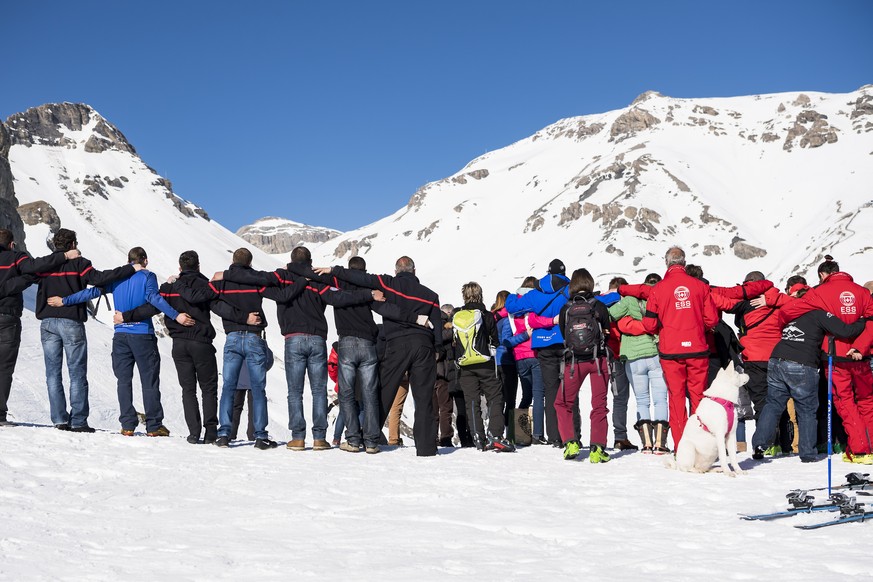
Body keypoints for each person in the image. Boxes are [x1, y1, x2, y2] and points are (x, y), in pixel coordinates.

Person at [217, 247, 393, 452]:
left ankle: (298, 438)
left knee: (295, 391)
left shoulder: (281, 277)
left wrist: (227, 275)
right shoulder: (317, 280)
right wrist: (369, 294)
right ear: (310, 261)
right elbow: (339, 298)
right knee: (318, 390)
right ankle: (319, 438)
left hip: (293, 339)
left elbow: (257, 280)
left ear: (291, 260)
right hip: (317, 339)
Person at [52, 246, 194, 437]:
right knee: (149, 381)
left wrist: (65, 301)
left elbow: (91, 293)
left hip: (120, 336)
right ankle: (154, 426)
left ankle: (127, 425)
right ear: (144, 260)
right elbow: (153, 298)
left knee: (123, 381)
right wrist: (176, 316)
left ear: (128, 261)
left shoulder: (117, 278)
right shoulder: (147, 276)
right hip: (142, 334)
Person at [117, 250, 255, 444]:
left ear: (180, 268)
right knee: (208, 388)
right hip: (202, 344)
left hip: (179, 345)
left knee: (188, 389)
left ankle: (193, 432)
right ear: (198, 266)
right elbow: (221, 308)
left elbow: (151, 307)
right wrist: (245, 318)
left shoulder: (168, 287)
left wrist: (126, 316)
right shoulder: (206, 285)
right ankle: (210, 431)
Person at [314, 256, 443, 457]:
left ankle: (369, 437)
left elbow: (361, 279)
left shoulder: (388, 283)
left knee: (383, 390)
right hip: (423, 344)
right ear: (414, 271)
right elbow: (437, 327)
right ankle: (426, 448)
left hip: (397, 343)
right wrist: (437, 349)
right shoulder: (431, 295)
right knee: (424, 397)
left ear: (396, 270)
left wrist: (334, 270)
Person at [35, 228, 140, 431]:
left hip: (47, 322)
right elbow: (100, 278)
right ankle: (78, 421)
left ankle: (59, 419)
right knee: (76, 373)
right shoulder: (80, 264)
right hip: (71, 322)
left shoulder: (44, 265)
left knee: (52, 373)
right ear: (73, 244)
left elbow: (29, 272)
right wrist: (130, 268)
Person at [752, 285, 867, 462]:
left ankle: (760, 444)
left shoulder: (792, 313)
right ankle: (807, 453)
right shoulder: (819, 314)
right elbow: (845, 331)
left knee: (773, 404)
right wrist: (862, 319)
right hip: (802, 363)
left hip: (776, 359)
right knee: (806, 409)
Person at [210, 248, 309, 450]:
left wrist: (237, 316)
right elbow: (284, 295)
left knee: (228, 386)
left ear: (232, 261)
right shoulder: (256, 280)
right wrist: (303, 281)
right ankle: (260, 436)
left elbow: (212, 303)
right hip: (254, 339)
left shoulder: (221, 282)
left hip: (232, 338)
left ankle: (223, 434)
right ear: (250, 263)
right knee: (258, 389)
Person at [778, 255, 873, 463]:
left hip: (835, 355)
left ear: (822, 274)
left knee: (844, 401)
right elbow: (871, 322)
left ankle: (860, 449)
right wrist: (860, 346)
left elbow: (786, 312)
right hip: (862, 357)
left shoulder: (819, 293)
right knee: (867, 401)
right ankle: (870, 445)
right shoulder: (863, 293)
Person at [528, 269, 612, 462]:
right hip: (598, 360)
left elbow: (565, 334)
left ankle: (570, 442)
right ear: (590, 283)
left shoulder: (566, 308)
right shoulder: (598, 305)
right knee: (599, 405)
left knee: (562, 402)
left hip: (574, 363)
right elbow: (606, 331)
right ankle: (597, 449)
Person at [639, 246, 718, 448]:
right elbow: (712, 319)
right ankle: (701, 445)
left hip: (670, 352)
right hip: (697, 349)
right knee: (698, 398)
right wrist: (698, 328)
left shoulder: (657, 290)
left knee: (675, 398)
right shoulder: (700, 287)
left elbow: (649, 324)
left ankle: (681, 447)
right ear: (684, 262)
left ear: (667, 263)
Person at [0, 228, 78, 427]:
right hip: (7, 317)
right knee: (4, 367)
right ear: (11, 244)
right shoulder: (17, 257)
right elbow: (35, 267)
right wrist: (63, 256)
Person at [505, 259, 571, 447]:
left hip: (531, 352)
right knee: (549, 392)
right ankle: (541, 434)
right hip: (556, 346)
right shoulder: (566, 290)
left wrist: (511, 295)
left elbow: (510, 308)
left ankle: (523, 435)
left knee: (531, 395)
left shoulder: (533, 296)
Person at [608, 272, 669, 454]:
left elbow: (609, 314)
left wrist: (626, 322)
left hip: (633, 357)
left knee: (642, 401)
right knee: (660, 400)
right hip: (655, 354)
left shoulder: (629, 300)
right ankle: (660, 443)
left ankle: (647, 444)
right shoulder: (662, 299)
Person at [452, 282, 514, 451]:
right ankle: (495, 435)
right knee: (494, 397)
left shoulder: (457, 315)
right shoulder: (486, 315)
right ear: (480, 294)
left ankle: (478, 437)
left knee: (471, 401)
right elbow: (495, 340)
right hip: (485, 363)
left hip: (465, 365)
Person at [503, 277, 545, 444]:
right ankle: (537, 435)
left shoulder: (511, 312)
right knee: (538, 395)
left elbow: (506, 340)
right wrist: (528, 335)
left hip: (519, 358)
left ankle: (520, 434)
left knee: (526, 395)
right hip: (535, 355)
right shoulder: (536, 305)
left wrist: (520, 337)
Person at [598, 276, 637, 451]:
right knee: (620, 398)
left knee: (600, 399)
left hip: (601, 355)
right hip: (619, 354)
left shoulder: (597, 301)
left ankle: (598, 437)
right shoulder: (623, 300)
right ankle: (620, 436)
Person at [492, 290, 518, 434]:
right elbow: (506, 340)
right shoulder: (508, 319)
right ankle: (510, 430)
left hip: (496, 360)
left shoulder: (494, 317)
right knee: (510, 397)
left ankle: (497, 428)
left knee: (499, 397)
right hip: (508, 360)